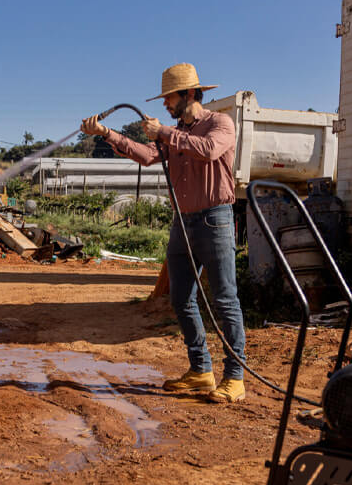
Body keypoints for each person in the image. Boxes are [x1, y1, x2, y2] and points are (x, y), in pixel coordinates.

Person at [80, 63, 247, 403]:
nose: (165, 105)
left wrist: (165, 134)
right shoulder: (173, 133)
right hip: (182, 222)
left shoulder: (220, 123)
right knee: (181, 298)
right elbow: (148, 156)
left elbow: (209, 150)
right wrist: (107, 134)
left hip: (215, 219)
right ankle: (201, 371)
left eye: (169, 98)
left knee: (225, 299)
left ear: (189, 94)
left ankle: (235, 377)